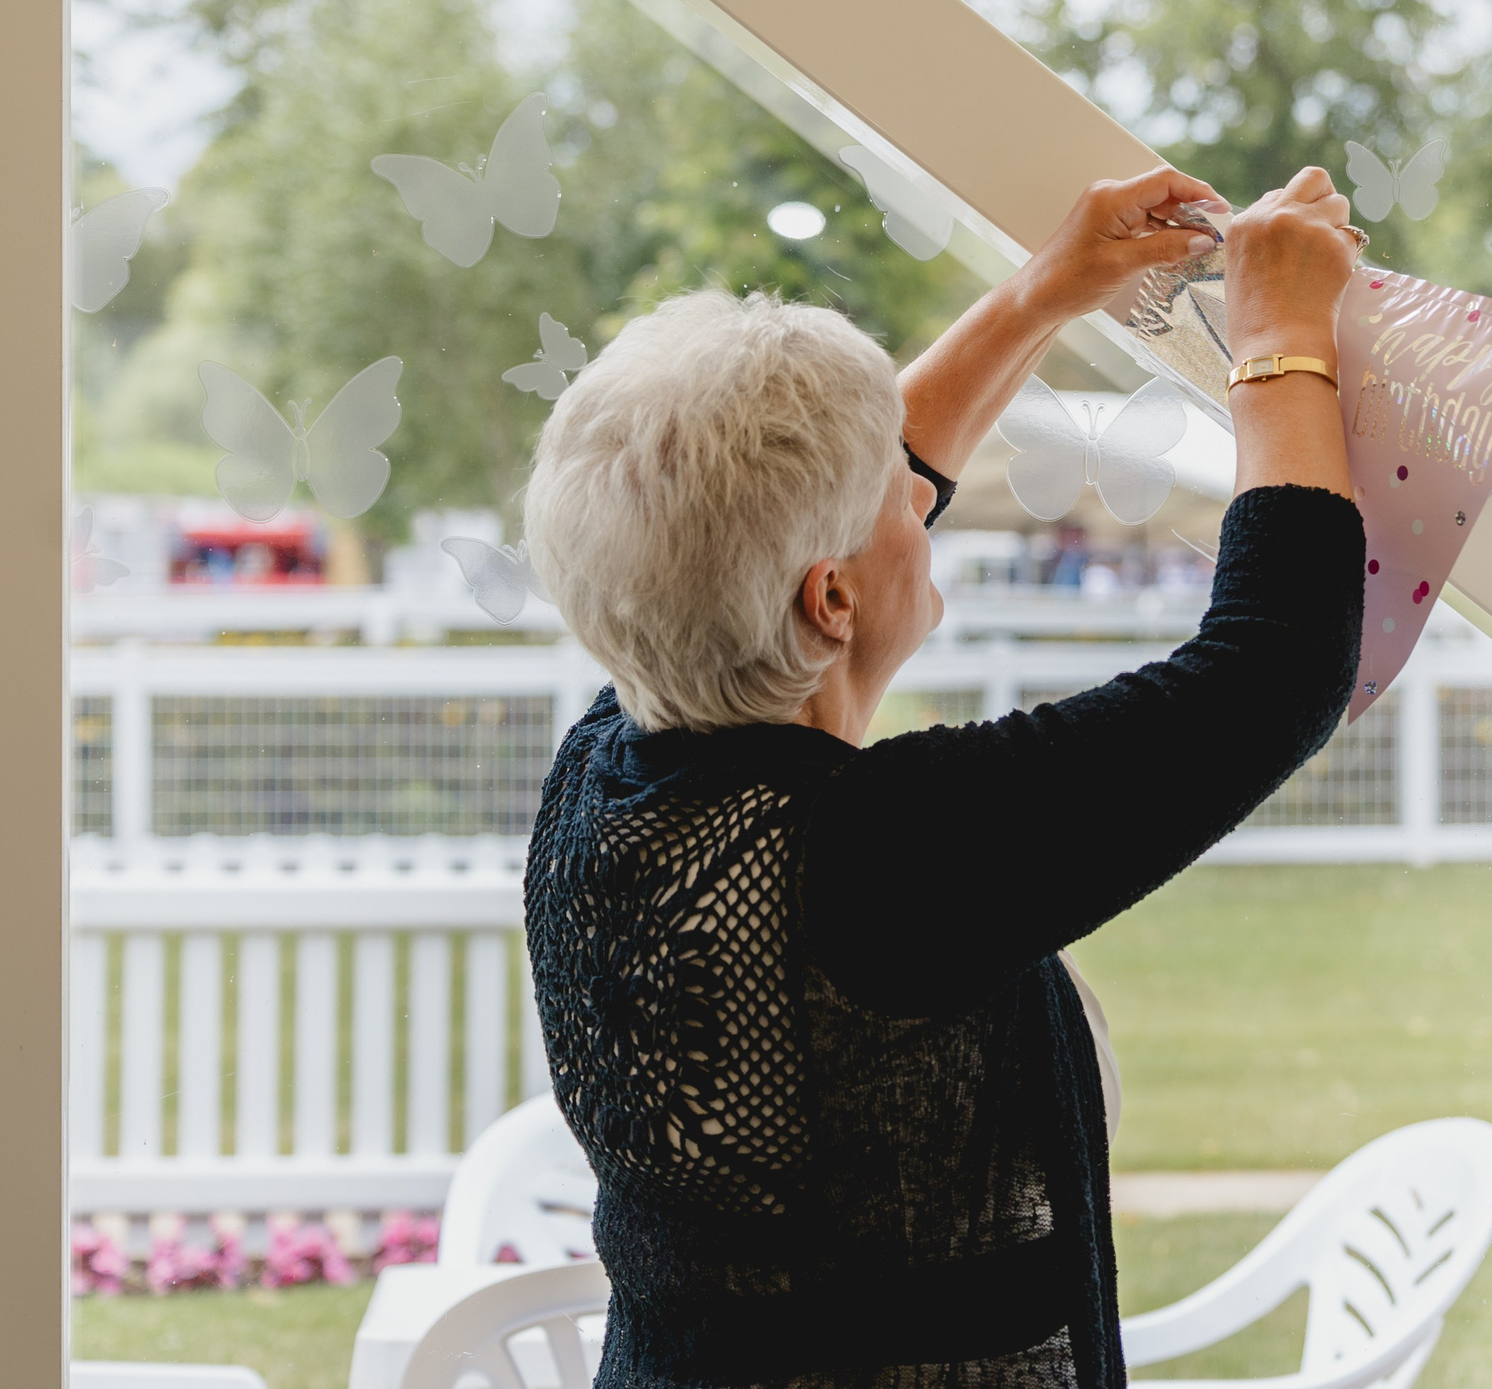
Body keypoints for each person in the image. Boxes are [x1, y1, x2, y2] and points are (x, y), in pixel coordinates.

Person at [520, 164, 1367, 1387]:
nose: (925, 499)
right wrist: (1282, 336)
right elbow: (1272, 667)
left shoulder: (605, 770)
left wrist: (1043, 294)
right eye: (901, 506)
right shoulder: (882, 853)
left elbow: (764, 514)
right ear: (832, 599)